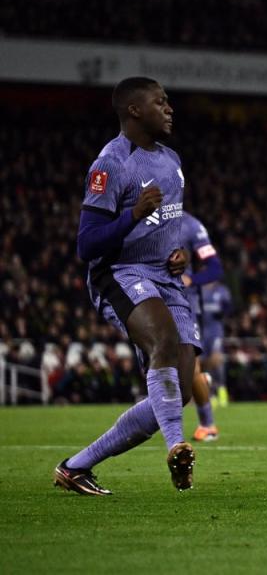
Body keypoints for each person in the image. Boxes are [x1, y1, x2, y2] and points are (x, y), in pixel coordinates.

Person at [54, 77, 200, 495]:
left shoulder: (171, 159)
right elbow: (87, 244)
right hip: (120, 273)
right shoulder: (111, 163)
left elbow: (166, 225)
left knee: (179, 393)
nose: (169, 108)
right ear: (135, 110)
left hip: (166, 277)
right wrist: (132, 215)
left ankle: (76, 467)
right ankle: (177, 447)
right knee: (164, 343)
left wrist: (179, 253)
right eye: (161, 102)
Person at [180, 211, 225, 441]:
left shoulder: (190, 225)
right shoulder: (144, 220)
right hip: (151, 300)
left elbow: (215, 267)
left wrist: (192, 279)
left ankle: (208, 425)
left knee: (192, 369)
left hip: (185, 304)